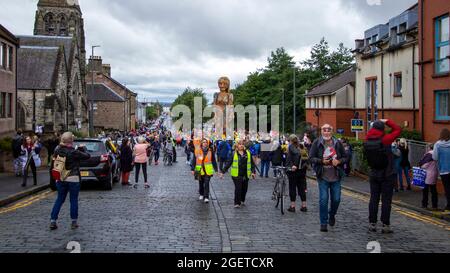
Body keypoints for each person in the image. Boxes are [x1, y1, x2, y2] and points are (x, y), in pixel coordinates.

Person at [309, 124, 349, 232]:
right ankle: (323, 223)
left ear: (332, 132)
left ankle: (332, 215)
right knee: (323, 200)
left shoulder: (338, 143)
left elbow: (346, 157)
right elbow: (311, 158)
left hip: (336, 176)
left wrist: (339, 161)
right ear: (321, 132)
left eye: (328, 130)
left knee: (336, 199)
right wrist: (321, 161)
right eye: (324, 130)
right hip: (323, 176)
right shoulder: (316, 143)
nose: (326, 132)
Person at [364, 119, 401, 234]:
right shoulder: (385, 140)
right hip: (387, 174)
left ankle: (372, 223)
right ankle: (385, 225)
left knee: (373, 199)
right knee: (386, 200)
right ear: (382, 129)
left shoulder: (367, 140)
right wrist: (388, 121)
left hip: (374, 173)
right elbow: (398, 129)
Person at [50, 132, 91, 230]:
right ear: (71, 141)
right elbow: (87, 156)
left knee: (59, 199)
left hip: (61, 178)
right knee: (73, 200)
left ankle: (53, 221)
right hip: (73, 178)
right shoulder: (73, 151)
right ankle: (73, 222)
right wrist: (83, 148)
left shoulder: (57, 149)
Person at [221, 140, 256, 208]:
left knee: (244, 189)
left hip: (246, 174)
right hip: (236, 174)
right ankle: (237, 203)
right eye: (240, 144)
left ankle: (242, 200)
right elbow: (229, 163)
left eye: (243, 144)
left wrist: (253, 172)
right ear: (237, 145)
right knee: (238, 188)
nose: (241, 145)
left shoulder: (248, 153)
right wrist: (223, 172)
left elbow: (252, 164)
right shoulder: (233, 153)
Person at [286, 135, 309, 213]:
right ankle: (304, 206)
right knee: (302, 188)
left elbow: (293, 156)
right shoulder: (302, 146)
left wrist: (294, 165)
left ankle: (292, 206)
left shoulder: (291, 147)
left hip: (293, 171)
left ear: (291, 140)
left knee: (292, 188)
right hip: (302, 171)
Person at [191, 138, 218, 204]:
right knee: (200, 183)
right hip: (199, 169)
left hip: (207, 170)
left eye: (206, 142)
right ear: (201, 143)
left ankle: (206, 197)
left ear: (207, 143)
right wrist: (192, 169)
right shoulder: (197, 151)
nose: (205, 143)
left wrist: (216, 170)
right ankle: (201, 194)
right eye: (203, 142)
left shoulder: (210, 151)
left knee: (206, 183)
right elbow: (194, 160)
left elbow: (213, 160)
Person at [433, 128, 450, 212]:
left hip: (444, 169)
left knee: (447, 188)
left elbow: (434, 157)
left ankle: (449, 205)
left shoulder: (438, 144)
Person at [419, 144, 439, 210]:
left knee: (425, 191)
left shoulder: (429, 154)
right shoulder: (437, 154)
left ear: (429, 148)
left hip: (427, 174)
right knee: (434, 191)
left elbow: (424, 165)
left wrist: (420, 164)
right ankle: (434, 205)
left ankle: (424, 204)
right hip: (435, 173)